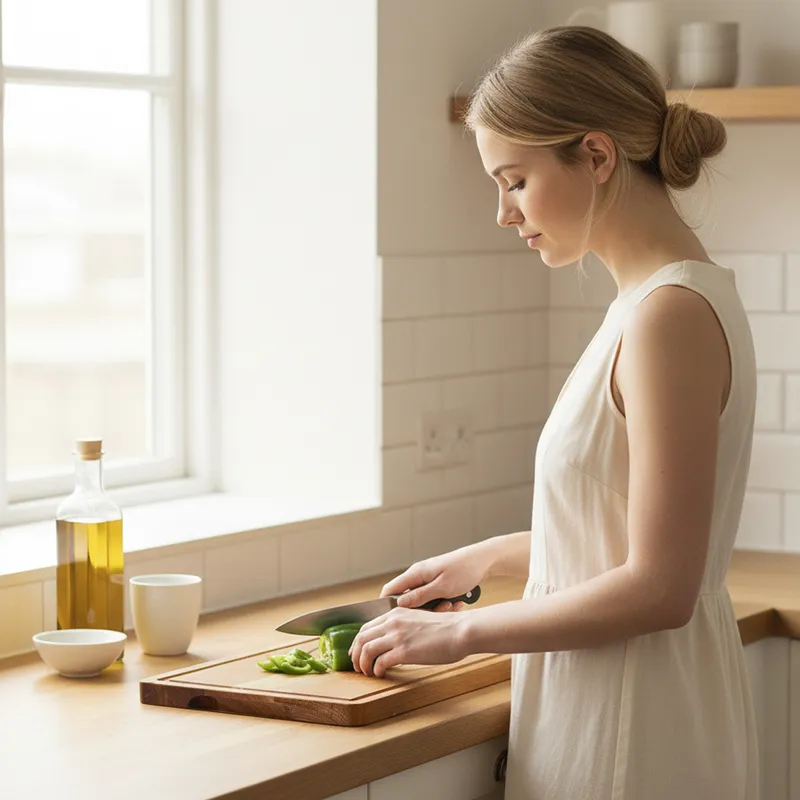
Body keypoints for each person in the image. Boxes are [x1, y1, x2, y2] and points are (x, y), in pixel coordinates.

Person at [348, 25, 758, 800]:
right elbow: (626, 533)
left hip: (636, 731)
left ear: (597, 156)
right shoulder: (655, 303)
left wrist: (459, 631)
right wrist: (490, 558)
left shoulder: (667, 316)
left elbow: (661, 587)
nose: (504, 214)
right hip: (625, 706)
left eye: (515, 181)